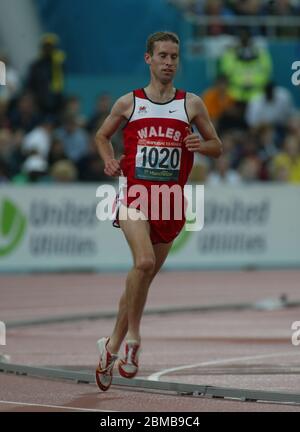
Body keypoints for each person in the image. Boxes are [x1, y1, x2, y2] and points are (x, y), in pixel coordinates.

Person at [94, 31, 222, 392]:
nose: (169, 62)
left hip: (170, 203)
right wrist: (108, 161)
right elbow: (102, 136)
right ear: (148, 59)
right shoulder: (128, 103)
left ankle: (111, 348)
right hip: (135, 197)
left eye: (174, 57)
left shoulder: (191, 104)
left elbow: (217, 146)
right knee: (145, 263)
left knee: (141, 277)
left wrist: (203, 144)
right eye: (162, 56)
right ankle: (134, 339)